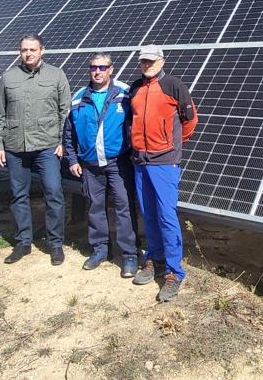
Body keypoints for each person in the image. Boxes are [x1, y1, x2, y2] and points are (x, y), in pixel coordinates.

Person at [0, 34, 71, 265]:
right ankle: (23, 242)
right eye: (24, 49)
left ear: (42, 51)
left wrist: (63, 142)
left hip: (47, 146)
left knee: (53, 192)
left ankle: (55, 243)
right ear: (20, 51)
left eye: (33, 49)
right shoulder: (8, 78)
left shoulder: (56, 75)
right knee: (19, 195)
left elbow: (65, 112)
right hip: (15, 146)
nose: (28, 53)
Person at [129, 46, 197, 301]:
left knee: (167, 215)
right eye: (143, 61)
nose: (146, 65)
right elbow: (131, 121)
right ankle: (153, 259)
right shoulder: (135, 88)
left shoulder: (173, 85)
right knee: (148, 214)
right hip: (140, 161)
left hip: (164, 161)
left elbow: (189, 120)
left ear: (161, 60)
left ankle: (173, 272)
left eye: (150, 61)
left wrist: (172, 145)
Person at [63, 53, 138, 277]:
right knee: (95, 208)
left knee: (124, 208)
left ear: (111, 69)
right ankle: (99, 250)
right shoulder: (78, 99)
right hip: (90, 165)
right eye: (93, 67)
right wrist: (73, 159)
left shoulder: (124, 95)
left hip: (118, 163)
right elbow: (69, 134)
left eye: (102, 67)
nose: (97, 71)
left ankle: (129, 255)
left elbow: (136, 125)